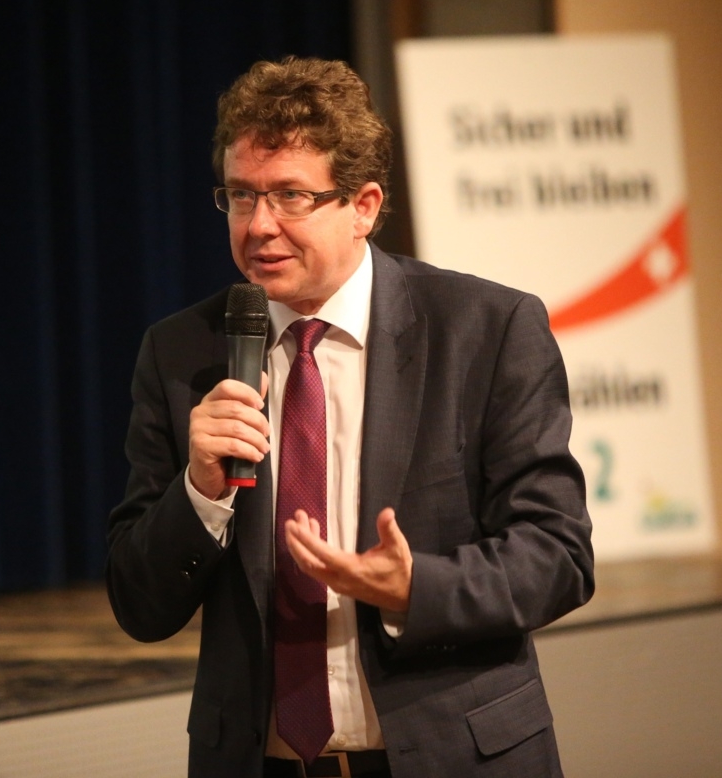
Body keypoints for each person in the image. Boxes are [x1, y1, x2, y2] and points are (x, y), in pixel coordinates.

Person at [105, 56, 593, 778]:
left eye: (291, 196)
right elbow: (139, 604)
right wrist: (200, 492)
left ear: (364, 206)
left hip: (453, 758)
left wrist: (414, 588)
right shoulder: (181, 353)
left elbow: (558, 556)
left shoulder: (485, 331)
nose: (259, 225)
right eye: (241, 196)